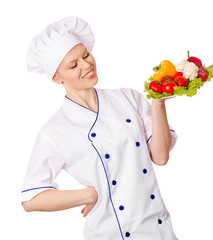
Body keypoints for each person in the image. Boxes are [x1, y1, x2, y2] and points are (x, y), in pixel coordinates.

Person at [21, 16, 179, 240]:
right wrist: (88, 195)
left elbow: (161, 157)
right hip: (109, 233)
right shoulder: (55, 131)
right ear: (57, 77)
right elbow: (31, 199)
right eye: (73, 65)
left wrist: (158, 102)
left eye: (86, 55)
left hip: (159, 228)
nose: (86, 65)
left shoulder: (128, 98)